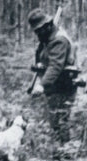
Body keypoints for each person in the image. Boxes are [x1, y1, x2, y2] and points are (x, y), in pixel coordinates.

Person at [27, 7, 78, 145]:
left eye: (38, 31)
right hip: (55, 86)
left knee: (61, 121)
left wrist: (42, 85)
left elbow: (55, 66)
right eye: (35, 31)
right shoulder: (47, 38)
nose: (37, 34)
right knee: (55, 121)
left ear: (46, 26)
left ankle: (66, 155)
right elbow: (43, 58)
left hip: (64, 87)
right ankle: (59, 152)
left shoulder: (58, 40)